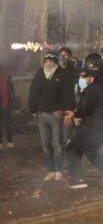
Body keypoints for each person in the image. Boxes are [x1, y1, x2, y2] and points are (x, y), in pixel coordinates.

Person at [65, 69, 103, 189]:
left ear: (91, 78)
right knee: (90, 153)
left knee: (72, 149)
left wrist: (74, 114)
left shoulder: (92, 90)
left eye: (85, 77)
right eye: (80, 77)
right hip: (95, 126)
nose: (82, 79)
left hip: (91, 127)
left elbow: (87, 108)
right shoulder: (90, 90)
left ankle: (77, 179)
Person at [29, 53, 75, 182]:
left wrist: (68, 111)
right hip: (41, 114)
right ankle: (50, 170)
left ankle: (58, 170)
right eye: (46, 60)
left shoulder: (63, 74)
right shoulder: (40, 73)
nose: (48, 62)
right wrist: (33, 109)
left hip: (56, 114)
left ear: (56, 61)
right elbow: (33, 91)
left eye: (51, 60)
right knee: (45, 145)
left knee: (57, 144)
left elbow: (68, 94)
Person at [0, 64, 15, 149]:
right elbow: (12, 91)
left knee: (7, 123)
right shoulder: (7, 77)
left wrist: (11, 101)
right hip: (6, 103)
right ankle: (3, 142)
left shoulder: (7, 77)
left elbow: (11, 91)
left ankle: (9, 141)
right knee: (5, 123)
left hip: (6, 103)